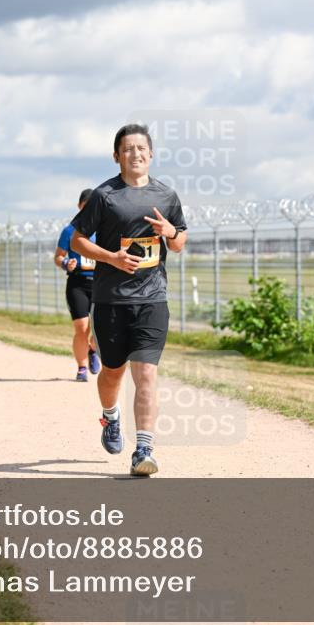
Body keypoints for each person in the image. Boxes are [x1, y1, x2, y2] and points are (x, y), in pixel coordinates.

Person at [70, 123, 188, 476]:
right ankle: (110, 417)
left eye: (141, 148)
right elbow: (77, 241)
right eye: (127, 149)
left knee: (147, 373)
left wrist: (170, 232)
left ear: (151, 154)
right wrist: (112, 258)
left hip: (152, 298)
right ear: (116, 156)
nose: (135, 154)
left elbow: (179, 243)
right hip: (111, 301)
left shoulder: (166, 195)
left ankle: (144, 450)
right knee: (112, 373)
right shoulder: (104, 196)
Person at [54, 189, 101, 382]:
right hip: (77, 283)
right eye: (84, 207)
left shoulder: (104, 230)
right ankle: (82, 368)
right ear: (79, 207)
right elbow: (58, 257)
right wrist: (66, 263)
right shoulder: (69, 231)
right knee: (82, 328)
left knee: (100, 329)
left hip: (101, 284)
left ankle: (93, 349)